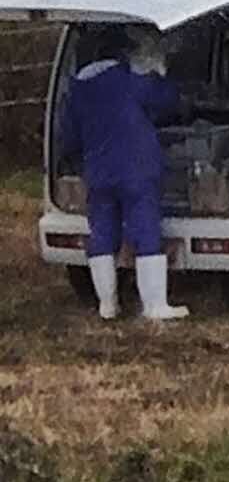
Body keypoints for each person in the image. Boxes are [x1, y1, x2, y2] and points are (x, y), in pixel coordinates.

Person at [58, 24, 202, 324]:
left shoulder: (77, 90)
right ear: (122, 53)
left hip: (98, 172)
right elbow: (168, 100)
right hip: (136, 169)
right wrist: (160, 71)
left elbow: (68, 137)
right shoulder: (127, 80)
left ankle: (107, 304)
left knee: (102, 232)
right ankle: (154, 305)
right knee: (145, 229)